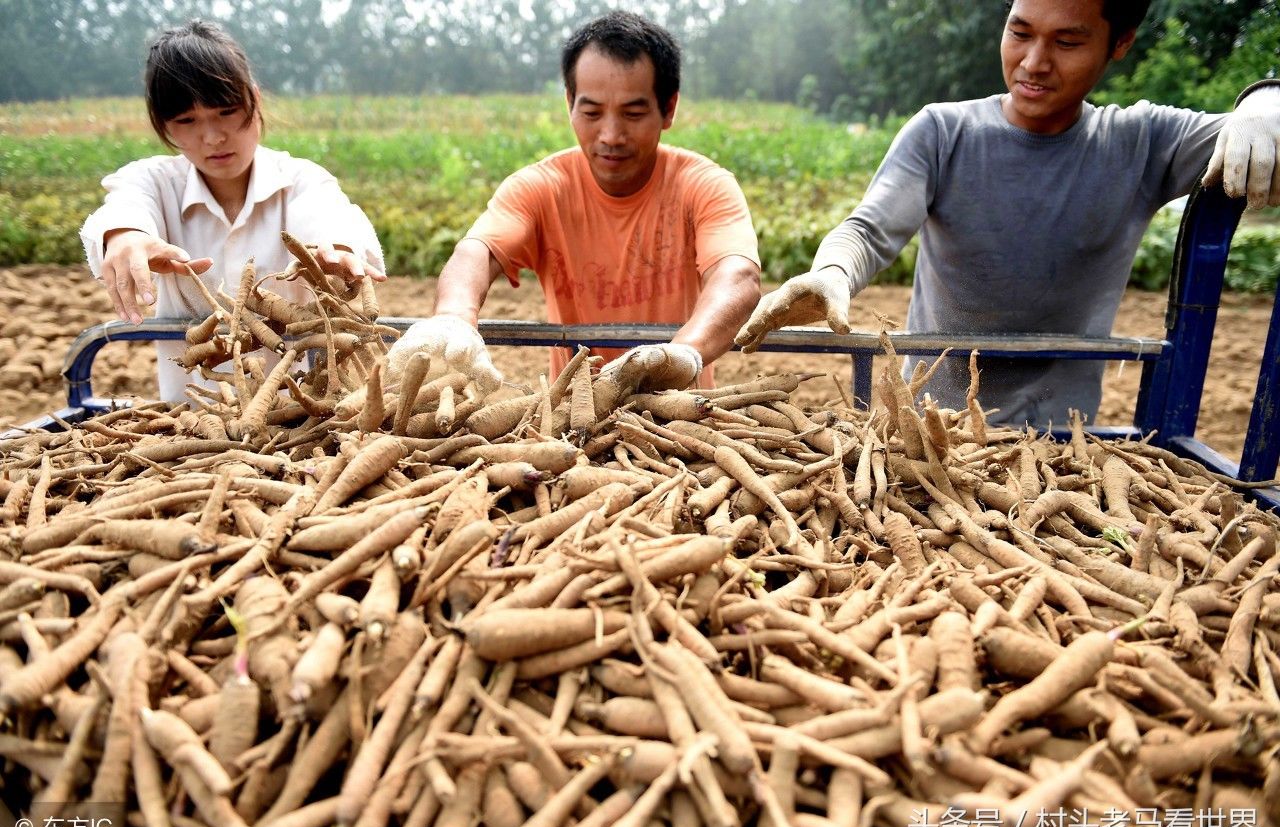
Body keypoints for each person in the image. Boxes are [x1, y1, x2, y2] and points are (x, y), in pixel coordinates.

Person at [734, 0, 1280, 428]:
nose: (1034, 62)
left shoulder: (1141, 142)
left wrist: (1264, 100)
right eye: (1020, 32)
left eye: (1067, 41)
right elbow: (868, 230)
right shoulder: (943, 132)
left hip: (1060, 444)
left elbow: (1252, 136)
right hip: (930, 432)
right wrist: (831, 271)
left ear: (1121, 43)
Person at [386, 10, 760, 395]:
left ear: (669, 109)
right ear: (569, 103)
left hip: (679, 410)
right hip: (573, 416)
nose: (611, 135)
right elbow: (477, 252)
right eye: (592, 112)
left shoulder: (704, 186)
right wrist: (453, 317)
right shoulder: (541, 187)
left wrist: (683, 355)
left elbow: (737, 276)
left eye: (633, 113)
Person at [80, 20, 386, 402]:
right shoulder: (154, 182)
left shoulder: (300, 180)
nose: (212, 137)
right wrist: (125, 237)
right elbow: (124, 208)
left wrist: (337, 249)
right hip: (193, 420)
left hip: (303, 419)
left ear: (254, 100)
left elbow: (327, 215)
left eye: (225, 112)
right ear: (164, 126)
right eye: (186, 121)